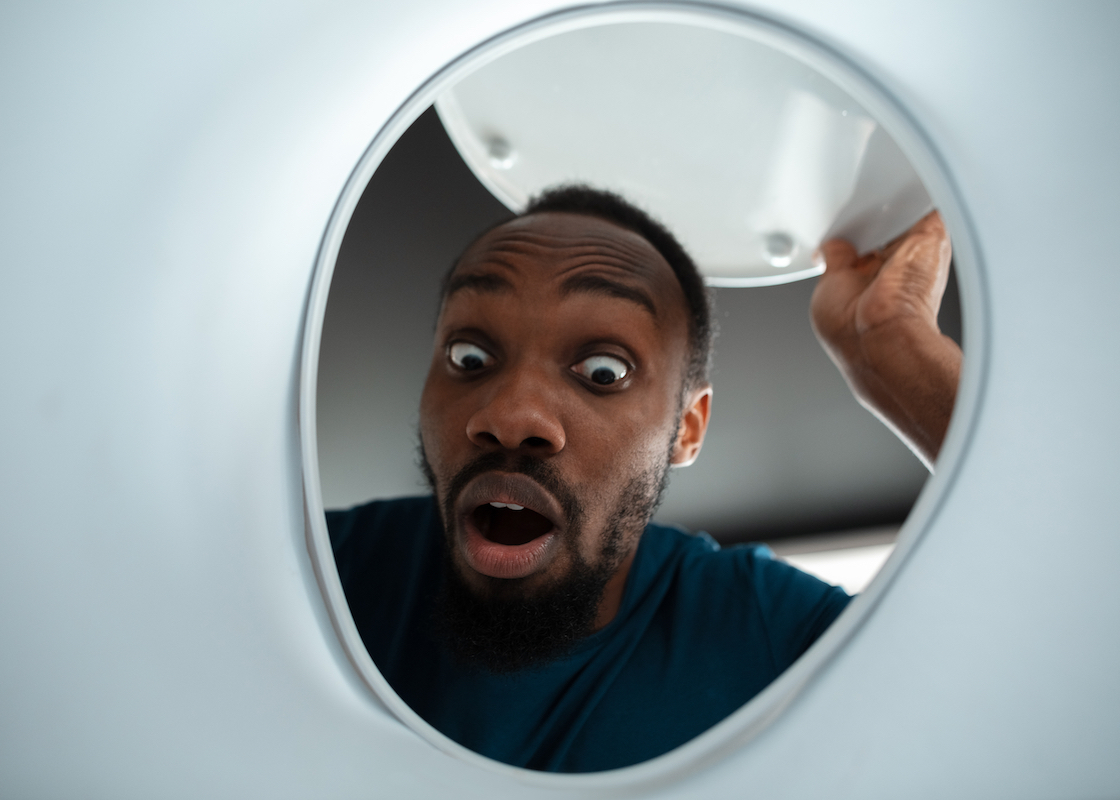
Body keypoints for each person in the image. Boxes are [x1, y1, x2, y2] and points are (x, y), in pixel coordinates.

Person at [326, 185, 960, 773]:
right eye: (470, 357)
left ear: (686, 428)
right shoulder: (318, 574)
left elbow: (1031, 688)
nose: (511, 416)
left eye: (604, 371)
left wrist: (897, 346)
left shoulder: (767, 637)